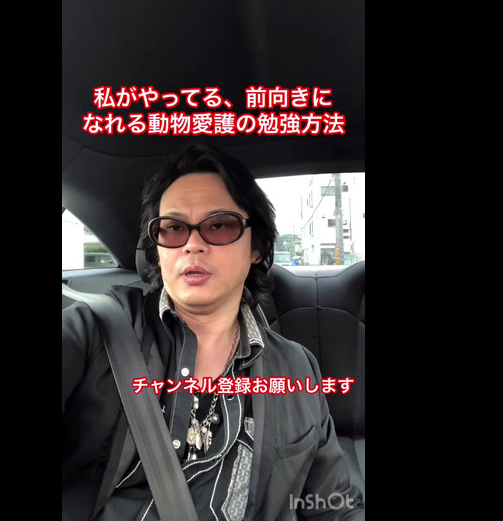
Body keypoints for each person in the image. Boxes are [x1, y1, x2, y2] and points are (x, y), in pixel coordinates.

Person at [62, 143, 364, 520]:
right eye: (173, 229)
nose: (192, 244)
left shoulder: (297, 368)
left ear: (256, 247)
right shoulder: (95, 332)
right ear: (158, 250)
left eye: (219, 225)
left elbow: (333, 505)